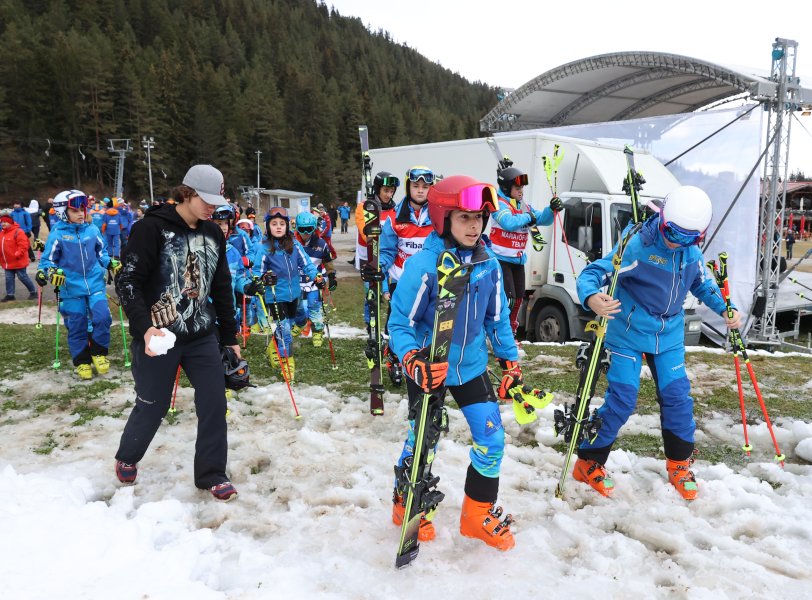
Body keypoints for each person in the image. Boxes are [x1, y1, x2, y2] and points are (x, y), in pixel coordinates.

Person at [574, 185, 741, 501]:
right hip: (627, 331)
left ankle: (679, 464)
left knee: (677, 396)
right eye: (671, 232)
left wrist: (725, 309)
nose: (674, 241)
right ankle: (588, 462)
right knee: (623, 398)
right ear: (662, 218)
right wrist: (592, 297)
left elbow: (703, 286)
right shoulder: (638, 247)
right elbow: (595, 272)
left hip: (668, 336)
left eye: (686, 237)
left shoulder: (690, 254)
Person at [388, 175, 520, 551]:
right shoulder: (424, 266)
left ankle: (476, 515)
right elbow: (400, 323)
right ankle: (405, 503)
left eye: (479, 217)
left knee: (492, 438)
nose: (475, 225)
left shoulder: (488, 263)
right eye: (464, 217)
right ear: (444, 216)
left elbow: (497, 319)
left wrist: (510, 362)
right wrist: (413, 359)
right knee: (423, 440)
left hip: (472, 366)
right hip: (431, 366)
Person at [114, 164, 240, 502]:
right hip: (160, 336)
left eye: (217, 201)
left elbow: (223, 287)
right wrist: (145, 329)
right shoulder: (150, 229)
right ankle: (128, 454)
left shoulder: (213, 233)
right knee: (152, 405)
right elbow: (127, 282)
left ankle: (212, 473)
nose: (213, 207)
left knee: (214, 403)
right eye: (207, 200)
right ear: (187, 193)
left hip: (201, 335)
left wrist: (230, 338)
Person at [36, 190, 116, 378]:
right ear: (63, 212)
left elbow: (101, 252)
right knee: (77, 325)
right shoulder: (58, 235)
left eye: (83, 209)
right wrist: (48, 272)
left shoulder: (92, 230)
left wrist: (109, 262)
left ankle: (98, 352)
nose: (81, 213)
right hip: (70, 288)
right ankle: (82, 361)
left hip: (95, 284)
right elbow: (47, 261)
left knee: (103, 318)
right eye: (75, 211)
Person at [376, 166, 436, 383]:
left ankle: (421, 359)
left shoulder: (439, 216)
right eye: (416, 186)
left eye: (425, 187)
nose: (420, 191)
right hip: (401, 281)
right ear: (408, 187)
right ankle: (394, 357)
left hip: (429, 283)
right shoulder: (394, 217)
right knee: (398, 323)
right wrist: (379, 266)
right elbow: (388, 251)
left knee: (424, 325)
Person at [253, 206, 324, 383]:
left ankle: (273, 346)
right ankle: (287, 364)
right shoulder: (265, 248)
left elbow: (306, 263)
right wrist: (264, 278)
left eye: (282, 224)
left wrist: (317, 277)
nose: (278, 227)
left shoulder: (294, 244)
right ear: (268, 226)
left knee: (300, 320)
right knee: (284, 329)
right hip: (276, 296)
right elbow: (256, 272)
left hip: (295, 294)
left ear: (287, 226)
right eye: (274, 224)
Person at [490, 165, 559, 335]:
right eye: (518, 188)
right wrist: (528, 217)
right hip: (500, 259)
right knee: (509, 299)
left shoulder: (522, 205)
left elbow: (542, 219)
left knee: (519, 298)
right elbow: (508, 222)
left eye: (522, 188)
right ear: (507, 188)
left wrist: (551, 210)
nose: (521, 191)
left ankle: (510, 334)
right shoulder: (499, 204)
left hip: (517, 260)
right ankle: (497, 332)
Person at [292, 210, 337, 348]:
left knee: (314, 306)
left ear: (314, 228)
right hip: (297, 281)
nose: (305, 233)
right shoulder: (292, 243)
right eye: (302, 230)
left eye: (309, 229)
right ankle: (300, 323)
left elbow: (328, 261)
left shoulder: (321, 243)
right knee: (297, 306)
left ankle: (317, 331)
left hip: (314, 281)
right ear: (297, 228)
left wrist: (331, 277)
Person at [0, 209, 37, 301]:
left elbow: (24, 245)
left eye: (5, 222)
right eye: (2, 222)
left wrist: (18, 254)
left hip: (18, 260)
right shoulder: (2, 233)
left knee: (22, 277)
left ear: (11, 222)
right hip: (7, 262)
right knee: (8, 278)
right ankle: (10, 295)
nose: (3, 224)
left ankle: (33, 292)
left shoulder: (18, 232)